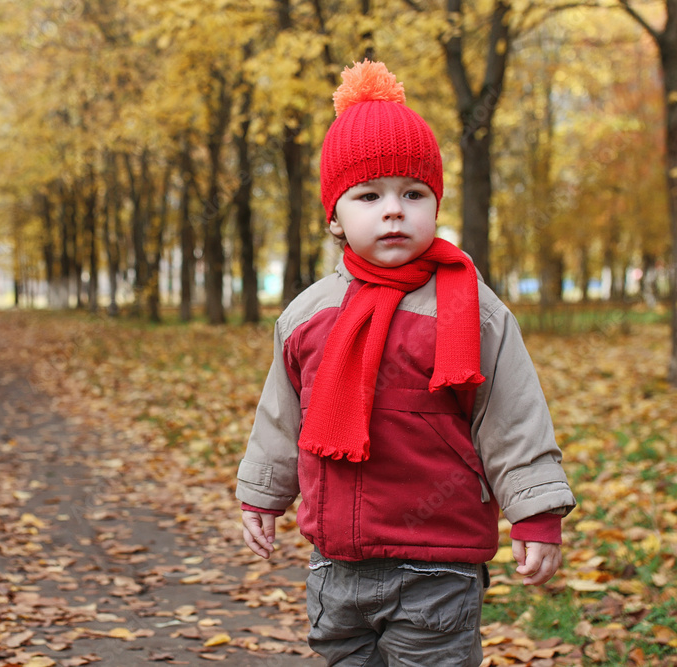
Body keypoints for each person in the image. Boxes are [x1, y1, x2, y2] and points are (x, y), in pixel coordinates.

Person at [235, 60, 575, 666]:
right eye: (369, 196)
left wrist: (537, 512)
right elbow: (282, 418)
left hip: (437, 564)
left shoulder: (470, 311)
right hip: (336, 565)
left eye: (413, 194)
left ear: (435, 206)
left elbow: (513, 417)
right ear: (335, 219)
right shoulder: (309, 315)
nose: (394, 211)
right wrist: (262, 494)